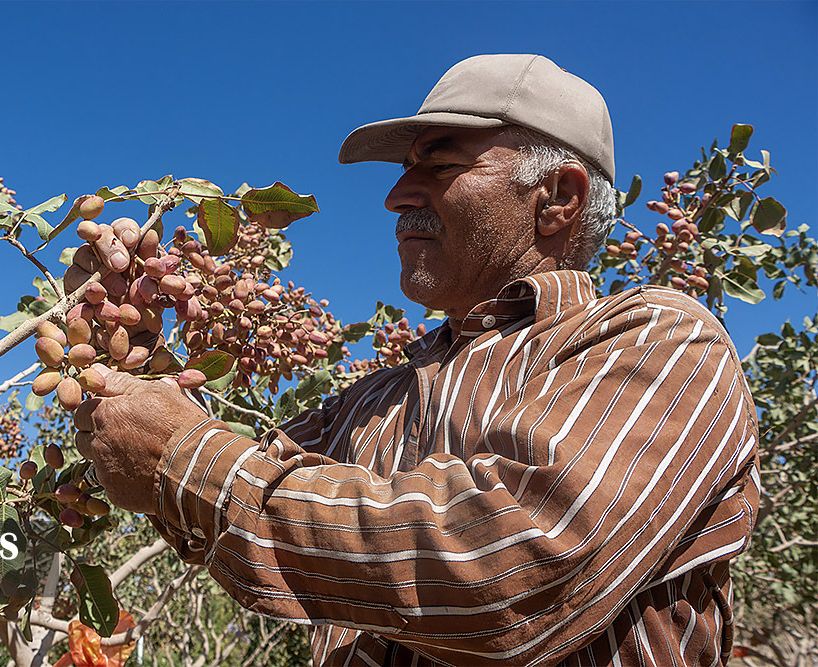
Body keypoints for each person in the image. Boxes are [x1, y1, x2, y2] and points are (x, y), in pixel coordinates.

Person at [73, 55, 760, 666]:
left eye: (439, 165)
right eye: (405, 172)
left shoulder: (664, 339)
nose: (396, 196)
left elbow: (507, 570)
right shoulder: (371, 401)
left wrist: (186, 458)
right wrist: (121, 335)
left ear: (558, 199)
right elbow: (209, 491)